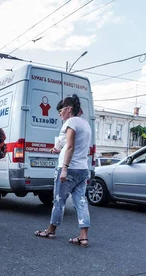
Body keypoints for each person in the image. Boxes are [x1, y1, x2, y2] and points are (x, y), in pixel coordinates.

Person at [35, 94, 91, 247]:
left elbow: (71, 146)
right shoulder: (85, 123)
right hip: (82, 169)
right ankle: (83, 236)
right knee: (81, 202)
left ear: (69, 109)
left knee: (58, 200)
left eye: (61, 110)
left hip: (69, 168)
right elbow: (72, 145)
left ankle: (51, 230)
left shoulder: (71, 121)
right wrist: (58, 150)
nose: (60, 113)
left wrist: (65, 169)